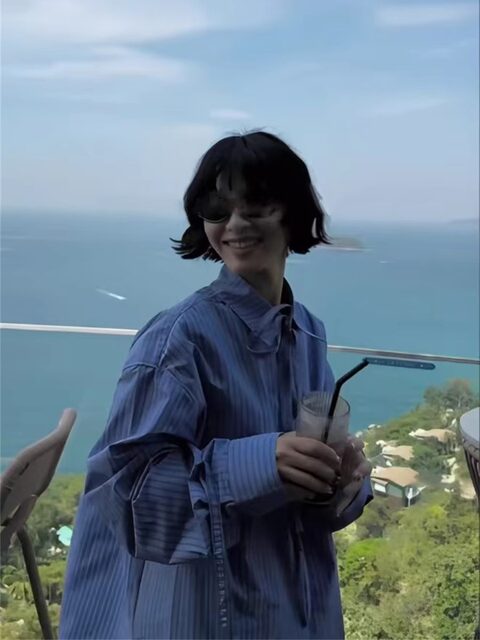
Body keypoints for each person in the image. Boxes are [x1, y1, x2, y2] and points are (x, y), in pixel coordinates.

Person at [60, 131, 372, 640]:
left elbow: (313, 492)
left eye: (257, 204)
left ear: (292, 212)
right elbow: (128, 497)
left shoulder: (309, 333)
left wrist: (339, 483)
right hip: (206, 612)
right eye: (217, 208)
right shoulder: (179, 339)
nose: (235, 223)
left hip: (298, 606)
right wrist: (258, 466)